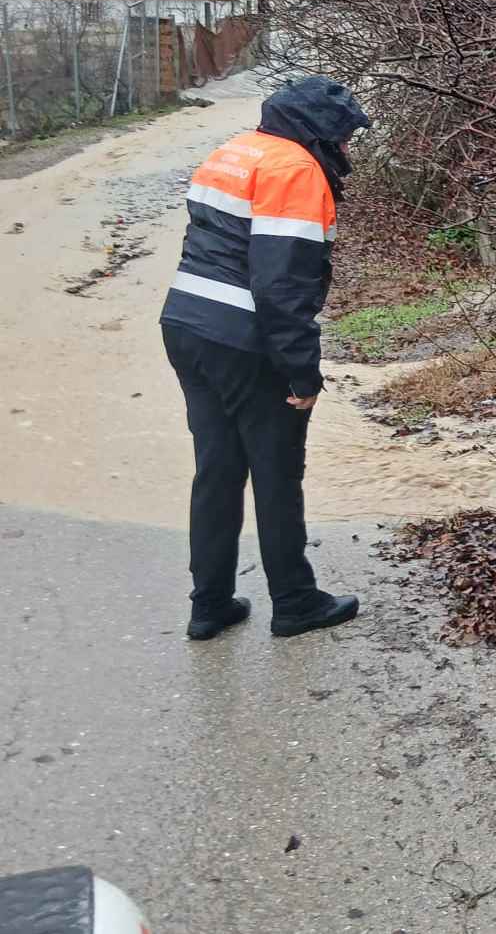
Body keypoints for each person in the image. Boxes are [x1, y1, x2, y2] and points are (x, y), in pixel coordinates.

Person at [160, 76, 370, 640]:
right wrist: (301, 373)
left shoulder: (236, 150)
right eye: (344, 137)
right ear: (318, 132)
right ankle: (296, 602)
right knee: (277, 473)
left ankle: (209, 605)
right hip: (245, 341)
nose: (347, 148)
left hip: (185, 325)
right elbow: (281, 288)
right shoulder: (297, 172)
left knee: (218, 470)